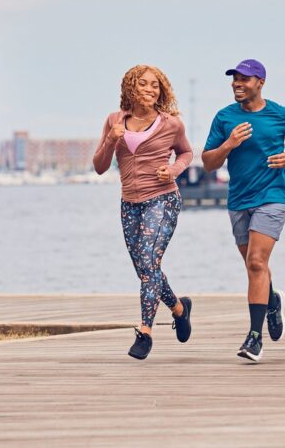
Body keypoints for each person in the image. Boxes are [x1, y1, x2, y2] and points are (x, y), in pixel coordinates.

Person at [201, 59, 285, 362]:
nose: (237, 84)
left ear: (260, 82)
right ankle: (272, 300)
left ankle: (254, 338)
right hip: (238, 199)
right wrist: (229, 144)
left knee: (256, 261)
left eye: (244, 79)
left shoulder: (280, 114)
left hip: (272, 196)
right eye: (234, 79)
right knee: (255, 268)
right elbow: (208, 163)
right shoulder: (224, 118)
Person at [93, 64, 194, 360]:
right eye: (143, 84)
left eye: (156, 85)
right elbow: (99, 167)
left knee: (149, 261)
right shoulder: (114, 120)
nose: (150, 90)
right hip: (129, 203)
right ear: (130, 87)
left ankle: (145, 332)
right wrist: (112, 139)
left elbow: (187, 153)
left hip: (163, 200)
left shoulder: (171, 124)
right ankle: (178, 308)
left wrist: (173, 169)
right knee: (145, 269)